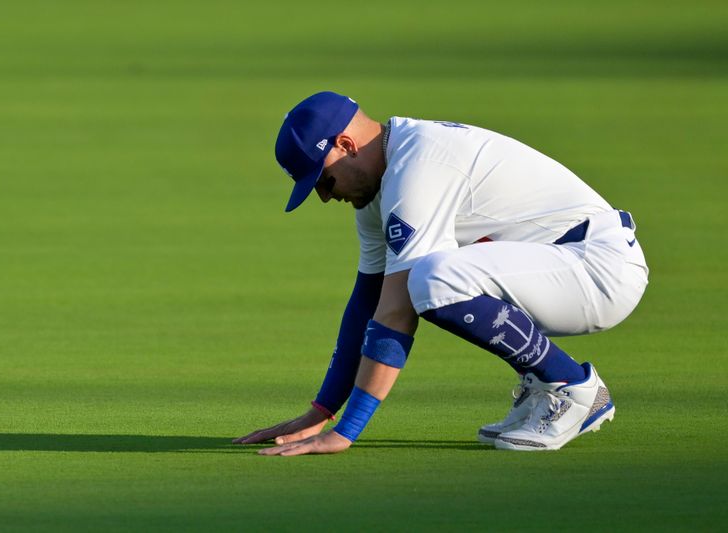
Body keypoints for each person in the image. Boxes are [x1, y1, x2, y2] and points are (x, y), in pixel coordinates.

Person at [234, 91, 648, 455]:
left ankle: (571, 387)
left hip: (597, 269)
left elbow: (397, 311)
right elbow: (367, 304)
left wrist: (346, 432)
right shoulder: (382, 187)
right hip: (560, 266)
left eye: (323, 180)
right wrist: (320, 411)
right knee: (428, 278)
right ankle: (547, 383)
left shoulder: (417, 167)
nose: (325, 196)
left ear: (347, 144)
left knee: (433, 278)